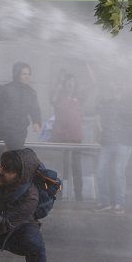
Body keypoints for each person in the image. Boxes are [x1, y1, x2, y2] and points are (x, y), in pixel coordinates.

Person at [94, 81, 132, 214]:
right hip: (108, 142)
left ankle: (120, 203)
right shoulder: (107, 104)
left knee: (119, 172)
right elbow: (100, 119)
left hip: (124, 143)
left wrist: (130, 140)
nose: (116, 89)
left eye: (119, 86)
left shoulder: (130, 105)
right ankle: (104, 202)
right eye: (114, 86)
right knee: (101, 172)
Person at [0, 62, 42, 162]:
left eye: (29, 74)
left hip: (21, 130)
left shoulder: (31, 92)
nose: (27, 77)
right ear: (17, 75)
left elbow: (35, 109)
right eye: (24, 74)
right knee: (8, 159)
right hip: (5, 131)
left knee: (14, 159)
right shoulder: (6, 89)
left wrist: (36, 122)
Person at [50, 73, 84, 201]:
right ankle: (59, 193)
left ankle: (78, 194)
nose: (71, 84)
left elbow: (93, 85)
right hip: (61, 137)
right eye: (69, 82)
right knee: (61, 167)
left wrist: (87, 65)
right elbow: (52, 97)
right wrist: (59, 82)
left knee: (76, 166)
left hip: (76, 137)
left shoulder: (79, 97)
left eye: (73, 82)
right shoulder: (59, 97)